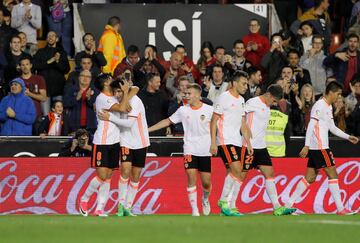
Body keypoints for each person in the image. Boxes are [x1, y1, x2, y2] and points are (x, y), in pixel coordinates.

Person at [284, 81, 359, 215]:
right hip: (320, 147)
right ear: (331, 92)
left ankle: (287, 205)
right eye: (338, 94)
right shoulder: (320, 105)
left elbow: (332, 127)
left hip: (316, 147)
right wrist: (306, 145)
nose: (339, 97)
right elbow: (311, 125)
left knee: (310, 177)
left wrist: (348, 137)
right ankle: (341, 209)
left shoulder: (328, 106)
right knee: (333, 175)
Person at [149, 83, 213, 216]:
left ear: (197, 95)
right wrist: (148, 130)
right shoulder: (183, 110)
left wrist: (215, 143)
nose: (186, 96)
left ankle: (205, 198)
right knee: (191, 176)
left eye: (189, 94)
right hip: (189, 147)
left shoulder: (209, 110)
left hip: (205, 149)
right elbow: (167, 121)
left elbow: (216, 125)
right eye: (186, 93)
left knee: (206, 182)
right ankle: (195, 210)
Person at [78, 73, 137, 217]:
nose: (113, 80)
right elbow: (123, 109)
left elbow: (133, 93)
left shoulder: (112, 97)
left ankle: (99, 208)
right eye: (110, 79)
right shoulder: (102, 98)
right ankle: (84, 199)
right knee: (102, 175)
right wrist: (124, 93)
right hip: (102, 141)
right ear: (105, 84)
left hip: (114, 141)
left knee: (109, 175)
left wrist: (126, 92)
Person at [240, 84, 296, 216]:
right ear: (269, 95)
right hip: (249, 146)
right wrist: (246, 139)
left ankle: (277, 207)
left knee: (269, 174)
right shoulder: (252, 103)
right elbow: (240, 118)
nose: (274, 103)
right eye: (274, 100)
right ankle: (229, 205)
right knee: (241, 176)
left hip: (261, 147)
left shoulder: (267, 106)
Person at [98, 80, 149, 217]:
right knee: (125, 170)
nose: (117, 94)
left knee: (136, 175)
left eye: (120, 91)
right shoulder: (116, 102)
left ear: (125, 90)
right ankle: (120, 205)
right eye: (115, 92)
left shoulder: (135, 101)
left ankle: (128, 207)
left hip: (140, 141)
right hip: (125, 140)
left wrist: (110, 118)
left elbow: (129, 123)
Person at [210, 71, 252, 216]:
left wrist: (248, 144)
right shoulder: (223, 98)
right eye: (243, 83)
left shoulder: (241, 100)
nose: (246, 86)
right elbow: (213, 121)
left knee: (232, 172)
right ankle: (223, 201)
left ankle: (225, 208)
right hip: (224, 140)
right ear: (234, 83)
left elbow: (242, 124)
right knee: (237, 169)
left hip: (237, 141)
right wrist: (213, 143)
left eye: (246, 83)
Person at [33, 31, 70, 115]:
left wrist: (57, 61)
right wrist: (49, 62)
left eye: (53, 36)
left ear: (56, 39)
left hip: (59, 90)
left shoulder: (62, 53)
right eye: (49, 36)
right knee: (46, 116)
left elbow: (66, 69)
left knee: (59, 116)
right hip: (44, 90)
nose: (50, 37)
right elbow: (35, 65)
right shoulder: (40, 52)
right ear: (46, 39)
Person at [63, 69, 98, 134]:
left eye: (88, 77)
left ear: (91, 79)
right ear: (79, 77)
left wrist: (89, 98)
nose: (85, 78)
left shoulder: (95, 91)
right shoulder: (71, 89)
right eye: (83, 76)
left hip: (90, 126)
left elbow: (96, 107)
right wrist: (76, 98)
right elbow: (65, 104)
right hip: (74, 126)